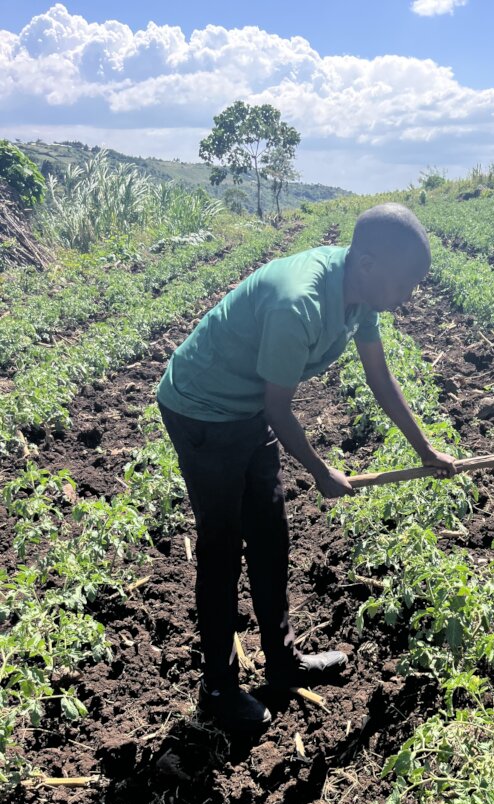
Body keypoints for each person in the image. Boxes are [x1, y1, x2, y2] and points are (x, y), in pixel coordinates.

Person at [156, 202, 456, 732]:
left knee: (270, 535)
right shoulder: (300, 304)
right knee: (223, 548)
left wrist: (425, 450)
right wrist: (321, 471)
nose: (409, 297)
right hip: (203, 408)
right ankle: (220, 689)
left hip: (246, 409)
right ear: (367, 263)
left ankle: (282, 661)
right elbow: (279, 408)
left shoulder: (357, 297)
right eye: (405, 283)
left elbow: (380, 380)